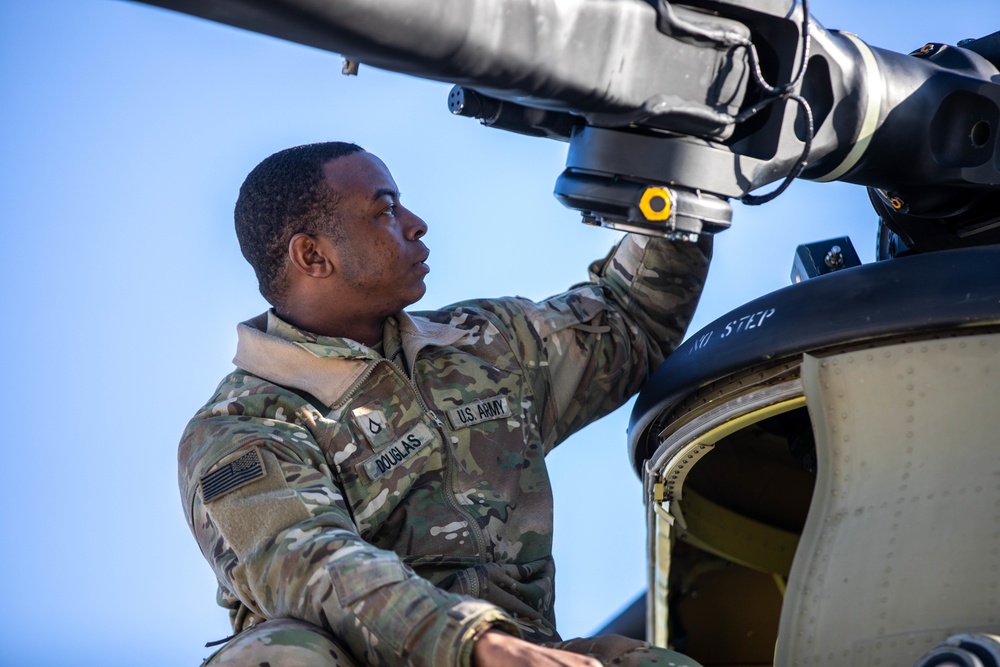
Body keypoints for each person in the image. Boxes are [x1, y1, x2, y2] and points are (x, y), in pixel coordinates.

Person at [178, 141, 712, 667]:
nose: (415, 224)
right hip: (391, 655)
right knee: (280, 657)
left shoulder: (484, 343)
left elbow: (629, 318)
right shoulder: (243, 425)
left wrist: (682, 173)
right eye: (385, 211)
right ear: (313, 255)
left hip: (522, 651)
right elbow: (310, 565)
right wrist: (475, 645)